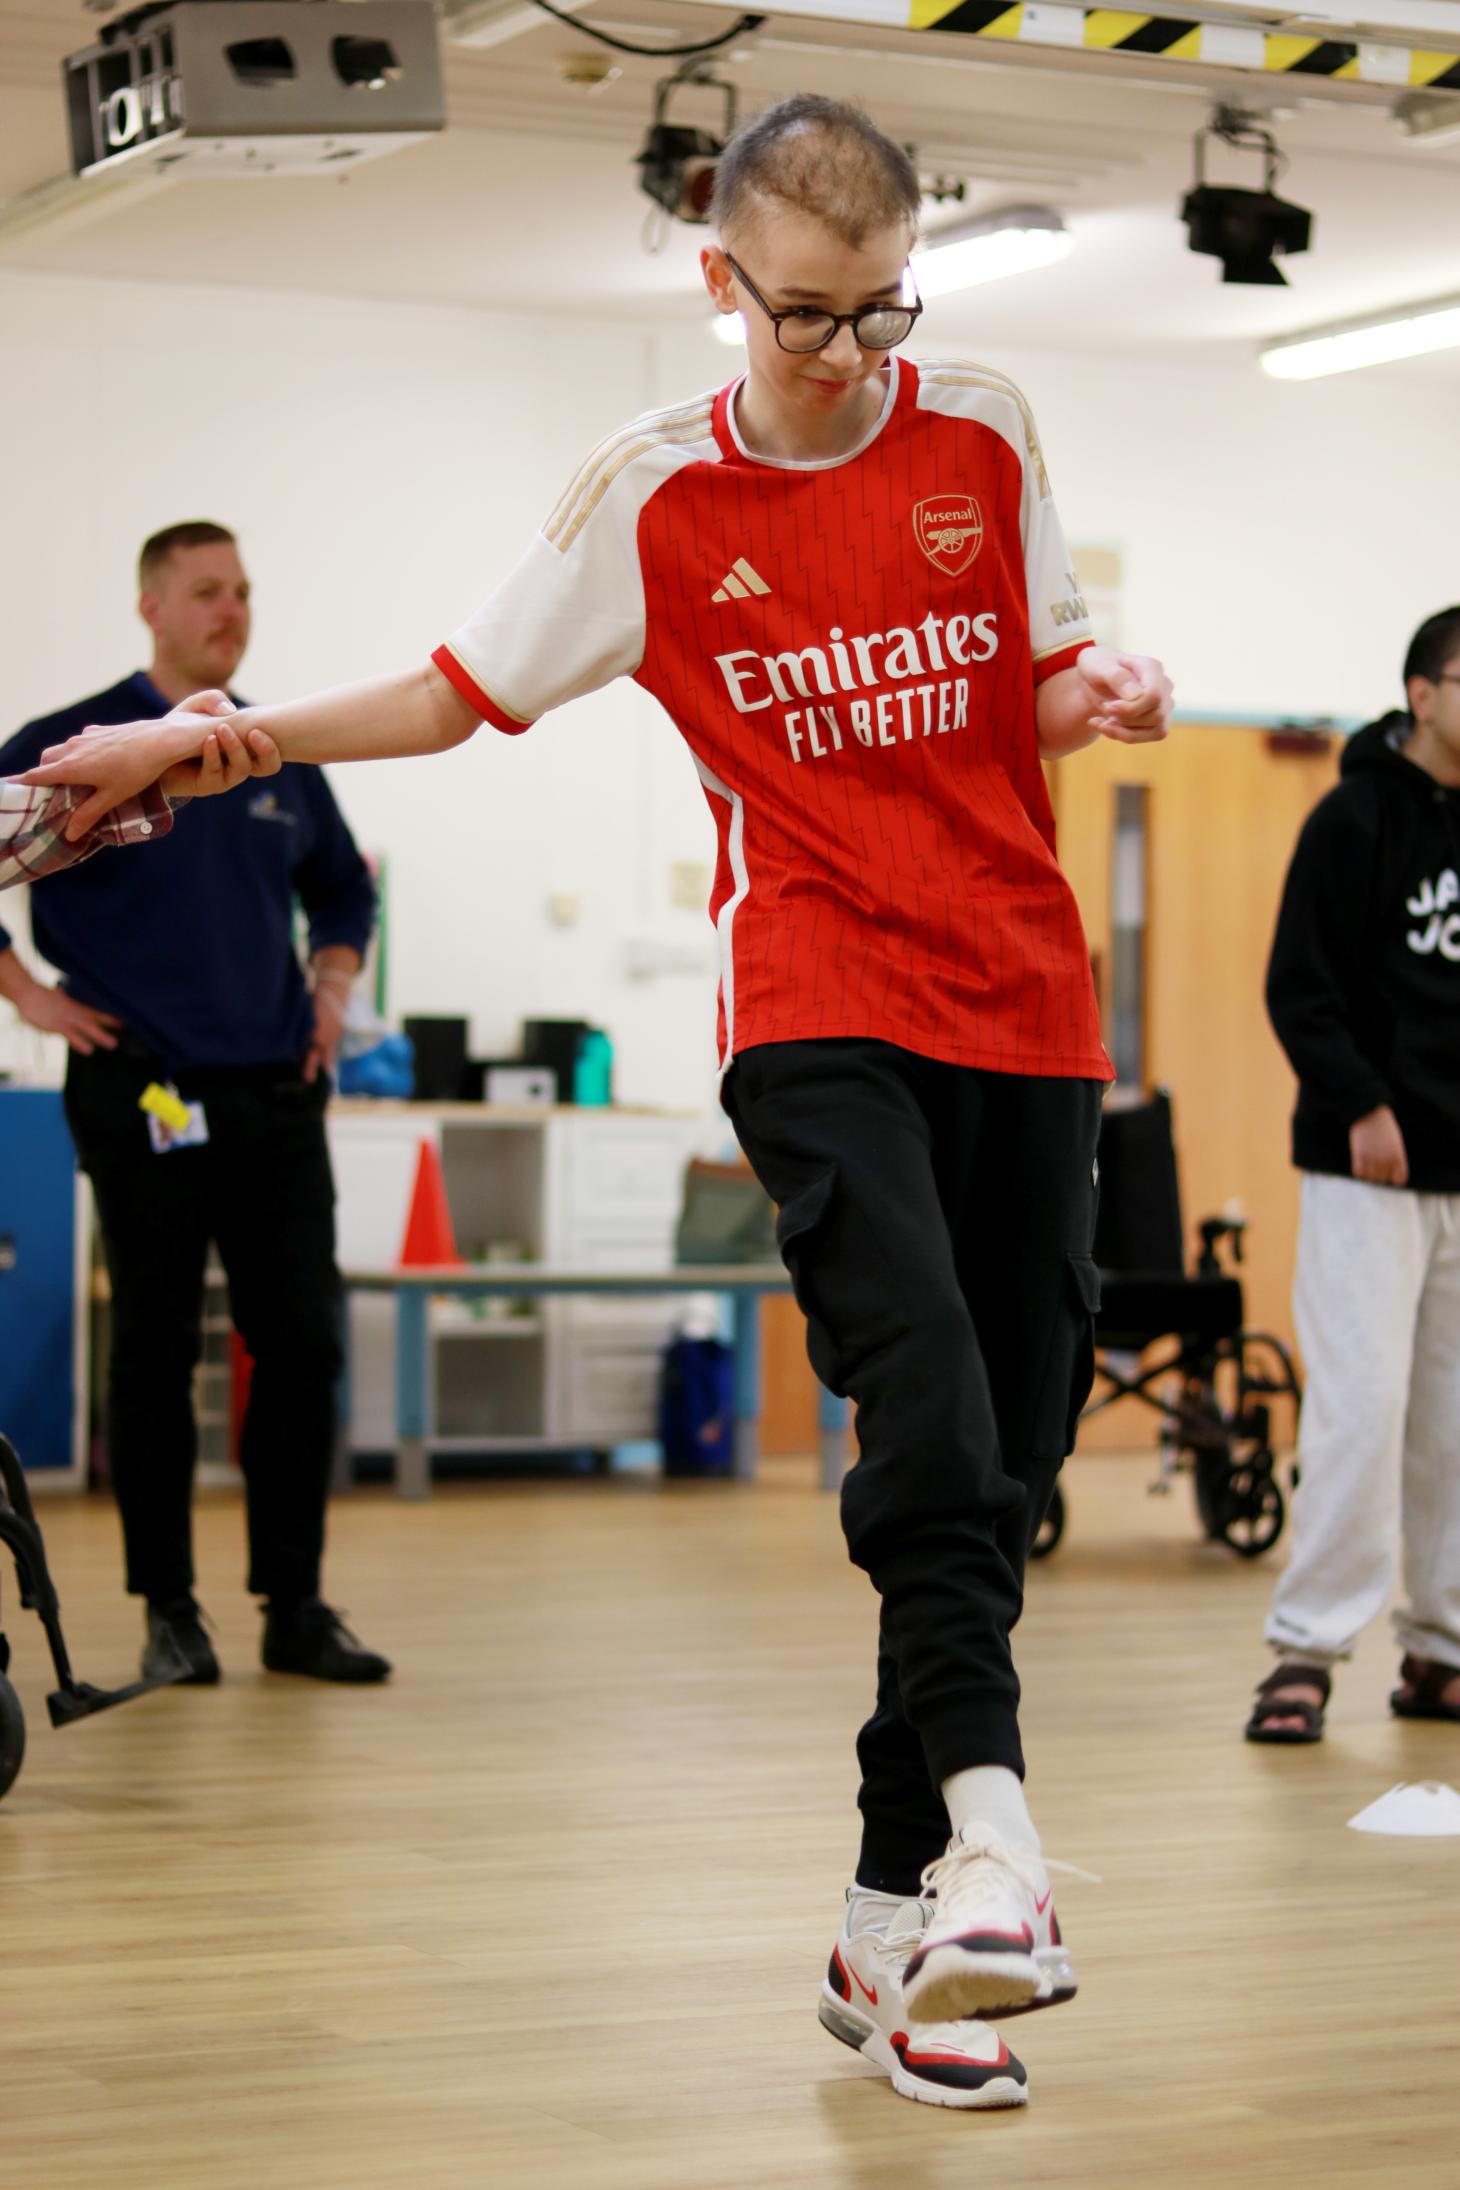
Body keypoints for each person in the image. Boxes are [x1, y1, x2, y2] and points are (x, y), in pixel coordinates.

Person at [23, 101, 1172, 2107]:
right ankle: (998, 1847)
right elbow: (451, 691)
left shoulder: (978, 427)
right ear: (718, 283)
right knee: (917, 1399)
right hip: (814, 995)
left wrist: (1096, 689)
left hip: (1025, 998)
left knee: (1006, 1450)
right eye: (807, 314)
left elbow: (1031, 672)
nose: (850, 354)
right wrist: (215, 740)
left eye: (884, 304)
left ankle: (889, 1911)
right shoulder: (649, 502)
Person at [0, 522, 391, 1688]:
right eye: (207, 592)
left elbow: (343, 891)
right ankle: (171, 1612)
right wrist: (27, 994)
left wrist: (329, 990)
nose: (232, 611)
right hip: (140, 1084)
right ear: (152, 608)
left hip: (274, 1088)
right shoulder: (78, 745)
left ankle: (296, 1605)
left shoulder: (271, 752)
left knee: (303, 1344)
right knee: (156, 1350)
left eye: (243, 592)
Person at [1245, 606, 1460, 1744]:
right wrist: (1362, 1104)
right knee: (1361, 1412)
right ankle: (1306, 1649)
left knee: (1453, 1423)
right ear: (1420, 695)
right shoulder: (1350, 820)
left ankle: (1439, 1649)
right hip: (1364, 1166)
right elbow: (1298, 988)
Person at [1, 706, 279, 890]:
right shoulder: (61, 729)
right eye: (204, 609)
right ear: (152, 613)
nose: (228, 614)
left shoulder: (295, 776)